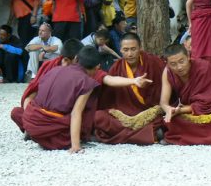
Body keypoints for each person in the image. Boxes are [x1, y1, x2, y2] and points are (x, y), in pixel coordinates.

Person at [11, 39, 152, 142]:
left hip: (37, 121)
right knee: (96, 118)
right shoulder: (57, 69)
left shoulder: (79, 70)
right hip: (58, 119)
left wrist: (133, 81)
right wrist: (76, 145)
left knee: (19, 113)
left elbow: (108, 79)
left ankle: (35, 131)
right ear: (69, 59)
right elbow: (31, 95)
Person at [21, 46, 101, 152]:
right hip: (54, 127)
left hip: (31, 123)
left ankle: (37, 135)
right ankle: (74, 139)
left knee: (18, 112)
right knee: (87, 110)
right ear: (97, 67)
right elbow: (76, 113)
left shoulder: (54, 69)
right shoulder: (87, 82)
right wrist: (75, 146)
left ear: (76, 59)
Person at [94, 32, 165, 145]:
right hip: (124, 116)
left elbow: (168, 88)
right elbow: (107, 98)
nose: (130, 54)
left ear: (140, 48)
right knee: (98, 117)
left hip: (150, 113)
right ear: (120, 50)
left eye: (133, 49)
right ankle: (150, 133)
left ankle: (140, 134)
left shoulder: (154, 62)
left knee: (169, 120)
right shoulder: (116, 68)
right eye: (126, 50)